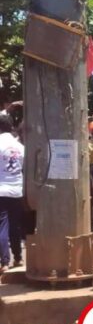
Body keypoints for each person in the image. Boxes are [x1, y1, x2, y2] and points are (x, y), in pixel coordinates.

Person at [0, 115, 24, 271]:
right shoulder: (20, 146)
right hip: (17, 190)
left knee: (2, 226)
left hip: (1, 190)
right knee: (15, 226)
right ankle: (18, 258)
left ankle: (4, 261)